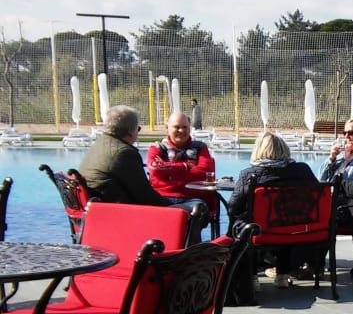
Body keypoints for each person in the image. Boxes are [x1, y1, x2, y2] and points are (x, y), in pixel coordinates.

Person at [79, 105, 208, 243]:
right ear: (130, 131)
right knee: (198, 208)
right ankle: (186, 252)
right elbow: (144, 196)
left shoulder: (100, 145)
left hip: (100, 210)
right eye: (138, 129)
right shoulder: (124, 153)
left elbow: (204, 170)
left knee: (192, 205)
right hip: (119, 214)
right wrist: (170, 207)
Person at [227, 132, 320, 288]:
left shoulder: (249, 174)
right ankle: (283, 275)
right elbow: (317, 195)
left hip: (262, 231)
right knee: (284, 218)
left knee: (243, 224)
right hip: (296, 228)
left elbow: (233, 206)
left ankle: (251, 277)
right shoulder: (302, 171)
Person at [146, 111, 218, 212]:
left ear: (190, 128)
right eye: (176, 127)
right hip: (162, 197)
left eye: (185, 127)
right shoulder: (157, 148)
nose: (181, 130)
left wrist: (168, 173)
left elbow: (204, 173)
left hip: (192, 198)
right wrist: (185, 166)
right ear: (167, 128)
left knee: (198, 210)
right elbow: (155, 169)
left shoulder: (200, 147)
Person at [320, 117, 353, 183]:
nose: (346, 136)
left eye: (350, 133)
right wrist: (331, 159)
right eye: (344, 133)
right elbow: (321, 178)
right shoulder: (340, 154)